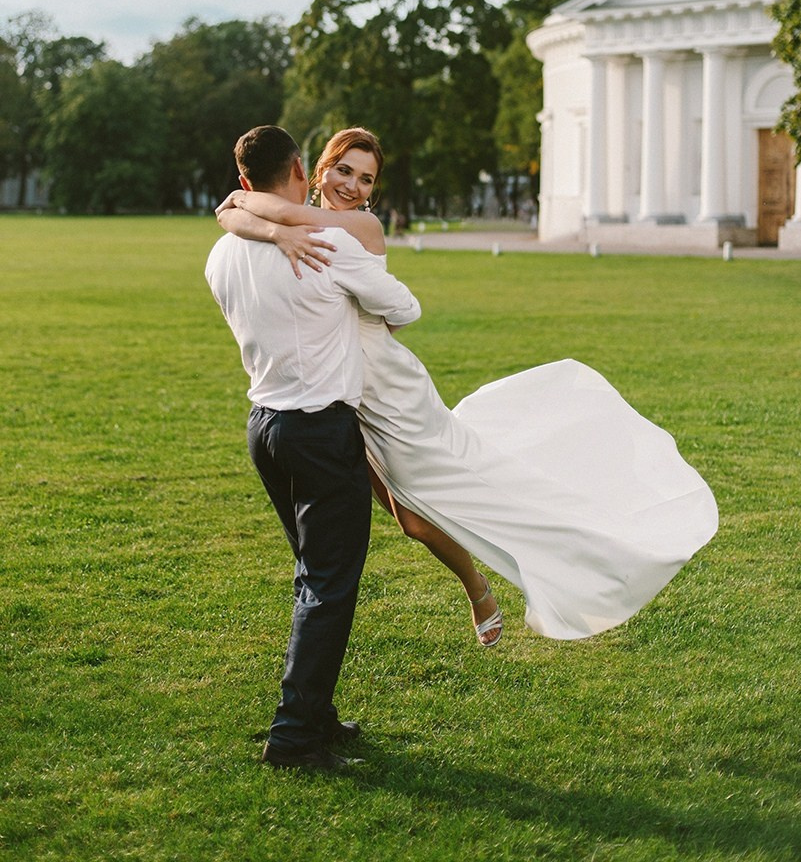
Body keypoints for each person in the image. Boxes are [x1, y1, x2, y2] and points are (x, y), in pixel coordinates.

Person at [216, 126, 719, 644]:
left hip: (385, 389)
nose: (353, 186)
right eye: (344, 170)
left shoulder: (360, 228)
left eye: (366, 179)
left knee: (428, 511)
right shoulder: (291, 220)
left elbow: (251, 213)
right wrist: (262, 224)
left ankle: (503, 578)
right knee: (403, 514)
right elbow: (246, 216)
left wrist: (246, 210)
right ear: (315, 168)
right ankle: (477, 584)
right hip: (333, 395)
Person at [205, 126, 421, 773]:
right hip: (320, 432)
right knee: (329, 586)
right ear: (302, 169)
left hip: (264, 427)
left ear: (245, 185)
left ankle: (315, 714)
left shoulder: (221, 253)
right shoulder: (328, 245)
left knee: (313, 573)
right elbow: (403, 308)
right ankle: (295, 736)